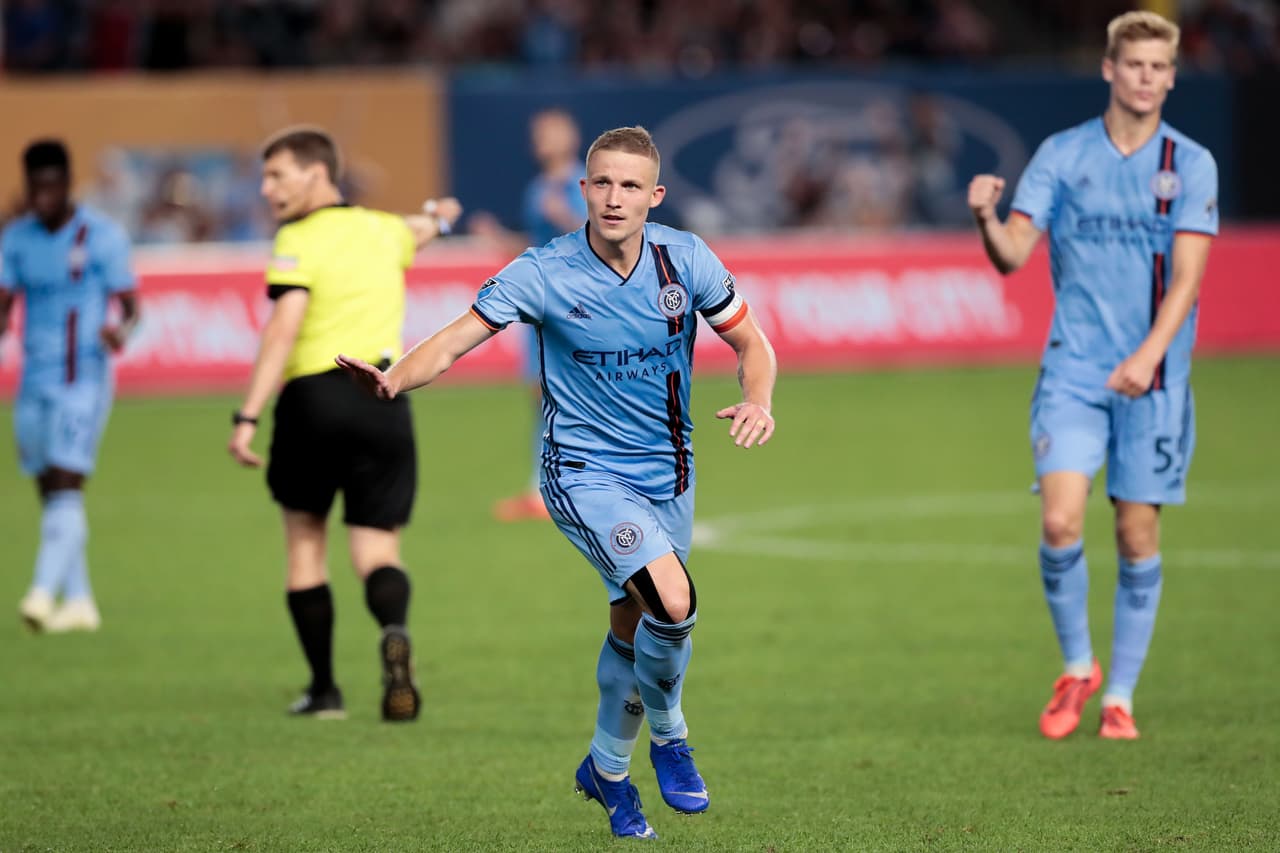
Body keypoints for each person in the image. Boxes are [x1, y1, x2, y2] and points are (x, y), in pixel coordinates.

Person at [337, 126, 777, 838]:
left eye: (630, 186)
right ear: (583, 189)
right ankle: (671, 737)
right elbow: (454, 339)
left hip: (669, 473)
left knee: (635, 622)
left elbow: (751, 342)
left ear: (655, 196)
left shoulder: (685, 259)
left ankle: (607, 770)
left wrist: (758, 398)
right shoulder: (543, 271)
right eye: (602, 183)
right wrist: (393, 380)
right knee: (672, 602)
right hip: (581, 473)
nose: (614, 198)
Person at [968, 11, 1217, 741]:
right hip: (1074, 370)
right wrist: (986, 218)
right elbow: (1014, 253)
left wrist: (1149, 355)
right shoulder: (1064, 153)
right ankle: (1078, 667)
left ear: (1171, 77)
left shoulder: (1190, 164)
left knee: (1136, 535)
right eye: (1134, 64)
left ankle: (1122, 697)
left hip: (1155, 381)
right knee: (1060, 520)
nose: (1146, 78)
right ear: (1109, 69)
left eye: (1159, 67)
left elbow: (1188, 279)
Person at [226, 126, 460, 722]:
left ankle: (325, 691)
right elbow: (421, 228)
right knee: (378, 551)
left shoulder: (296, 238)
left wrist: (247, 415)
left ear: (316, 174)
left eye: (277, 175)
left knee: (306, 547)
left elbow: (283, 329)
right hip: (383, 396)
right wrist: (440, 216)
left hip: (312, 403)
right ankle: (394, 631)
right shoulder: (384, 230)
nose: (266, 188)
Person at [1, 139, 139, 633]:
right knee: (49, 488)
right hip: (34, 378)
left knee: (66, 479)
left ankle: (41, 593)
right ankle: (79, 600)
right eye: (34, 188)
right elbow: (3, 305)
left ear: (66, 183)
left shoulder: (100, 236)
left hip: (83, 376)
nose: (42, 197)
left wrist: (119, 332)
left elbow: (131, 307)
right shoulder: (16, 239)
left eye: (51, 187)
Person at [472, 108, 588, 522]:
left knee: (570, 396)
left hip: (577, 306)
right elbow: (537, 246)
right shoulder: (539, 188)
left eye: (549, 132)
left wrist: (566, 217)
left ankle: (575, 485)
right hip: (543, 305)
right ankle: (543, 487)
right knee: (542, 396)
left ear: (570, 137)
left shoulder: (585, 183)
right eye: (537, 133)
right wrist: (499, 239)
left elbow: (602, 239)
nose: (540, 139)